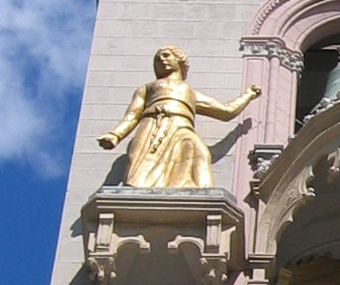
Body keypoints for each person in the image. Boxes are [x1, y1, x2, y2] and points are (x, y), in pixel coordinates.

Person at [97, 46, 258, 190]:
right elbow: (132, 115)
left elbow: (226, 111)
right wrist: (115, 135)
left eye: (167, 55)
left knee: (199, 152)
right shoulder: (146, 89)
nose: (162, 60)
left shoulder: (190, 92)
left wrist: (248, 95)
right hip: (150, 127)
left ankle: (200, 195)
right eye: (158, 59)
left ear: (180, 60)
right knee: (140, 166)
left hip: (181, 129)